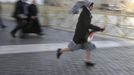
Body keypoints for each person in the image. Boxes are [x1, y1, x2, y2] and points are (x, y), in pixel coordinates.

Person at [56, 1, 105, 66]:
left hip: (84, 34)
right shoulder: (85, 13)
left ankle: (88, 61)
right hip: (80, 35)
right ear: (88, 6)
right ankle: (60, 51)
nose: (92, 7)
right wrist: (99, 28)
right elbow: (87, 25)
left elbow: (87, 25)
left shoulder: (87, 12)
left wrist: (98, 29)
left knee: (88, 46)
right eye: (91, 6)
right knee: (73, 48)